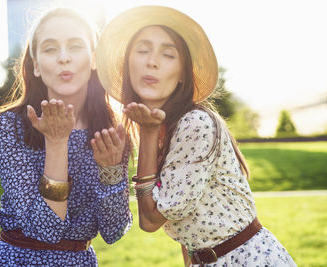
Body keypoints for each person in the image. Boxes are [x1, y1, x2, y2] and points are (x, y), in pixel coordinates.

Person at [96, 5, 296, 267]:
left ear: (182, 75)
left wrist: (147, 132)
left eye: (168, 55)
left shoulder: (195, 123)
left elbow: (151, 220)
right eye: (142, 50)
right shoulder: (165, 130)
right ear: (128, 65)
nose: (152, 61)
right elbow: (186, 234)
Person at [0, 8, 132, 267]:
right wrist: (56, 142)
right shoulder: (10, 126)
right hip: (16, 259)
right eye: (50, 49)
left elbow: (114, 232)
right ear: (37, 66)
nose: (64, 58)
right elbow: (45, 230)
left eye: (75, 46)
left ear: (94, 58)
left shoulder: (112, 133)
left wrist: (111, 171)